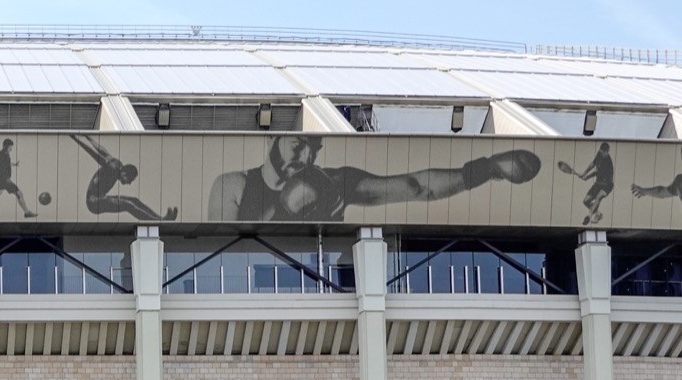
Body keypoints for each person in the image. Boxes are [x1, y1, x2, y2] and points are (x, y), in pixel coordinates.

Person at [208, 135, 542, 221]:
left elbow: (416, 187)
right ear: (273, 140)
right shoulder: (234, 185)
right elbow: (222, 257)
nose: (306, 157)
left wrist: (487, 169)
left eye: (314, 148)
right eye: (298, 145)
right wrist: (283, 210)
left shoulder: (334, 183)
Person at [71, 135, 177, 221]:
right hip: (93, 202)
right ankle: (159, 222)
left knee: (134, 200)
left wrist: (88, 137)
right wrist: (77, 139)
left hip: (102, 198)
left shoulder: (118, 164)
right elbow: (94, 154)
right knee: (128, 205)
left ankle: (161, 218)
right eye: (129, 180)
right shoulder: (112, 168)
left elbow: (102, 150)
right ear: (124, 174)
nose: (129, 183)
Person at [560, 142, 614, 225]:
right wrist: (584, 173)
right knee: (586, 201)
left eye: (603, 152)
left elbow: (596, 172)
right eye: (600, 152)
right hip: (598, 183)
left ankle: (589, 216)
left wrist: (587, 177)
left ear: (607, 151)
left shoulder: (608, 164)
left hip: (607, 185)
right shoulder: (600, 154)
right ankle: (598, 214)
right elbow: (593, 164)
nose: (601, 153)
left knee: (599, 196)